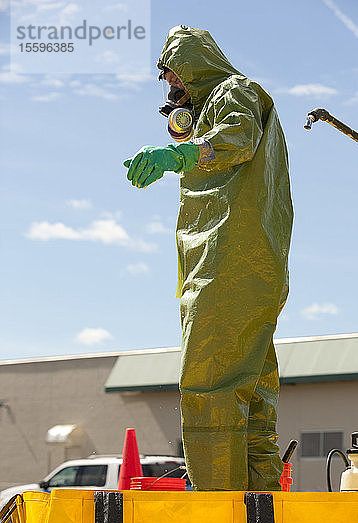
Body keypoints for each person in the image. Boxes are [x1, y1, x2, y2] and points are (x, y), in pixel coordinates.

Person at [124, 26, 293, 491]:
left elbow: (237, 138)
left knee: (209, 387)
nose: (171, 85)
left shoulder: (232, 91)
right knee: (251, 395)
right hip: (249, 266)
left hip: (228, 264)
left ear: (195, 64)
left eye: (175, 72)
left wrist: (182, 152)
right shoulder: (216, 105)